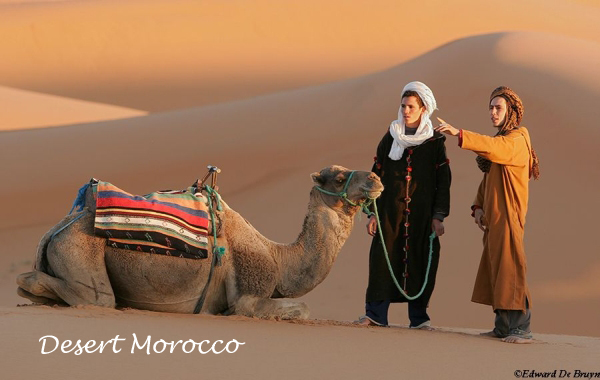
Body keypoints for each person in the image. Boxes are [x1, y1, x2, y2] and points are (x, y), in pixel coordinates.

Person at [435, 86, 540, 343]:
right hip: (494, 218)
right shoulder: (503, 142)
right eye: (491, 108)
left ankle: (521, 328)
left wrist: (459, 134)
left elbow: (493, 147)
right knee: (496, 269)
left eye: (498, 108)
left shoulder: (516, 140)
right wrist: (478, 206)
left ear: (511, 112)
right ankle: (503, 326)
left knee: (511, 268)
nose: (493, 113)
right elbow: (488, 179)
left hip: (509, 216)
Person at [356, 81, 451, 329]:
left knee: (421, 262)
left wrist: (438, 216)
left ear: (423, 109)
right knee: (382, 260)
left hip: (422, 215)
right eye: (403, 105)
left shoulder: (434, 142)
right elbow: (375, 176)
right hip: (389, 214)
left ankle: (419, 319)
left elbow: (443, 181)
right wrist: (372, 213)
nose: (406, 110)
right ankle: (375, 314)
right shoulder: (390, 137)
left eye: (411, 106)